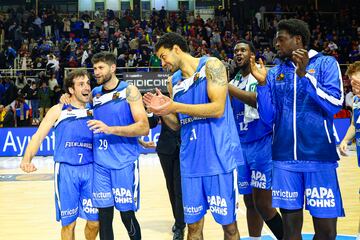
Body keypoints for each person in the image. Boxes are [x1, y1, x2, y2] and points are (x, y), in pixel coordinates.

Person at [143, 32, 243, 240]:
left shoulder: (212, 65)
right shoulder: (173, 82)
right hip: (190, 163)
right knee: (193, 228)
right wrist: (163, 112)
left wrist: (175, 105)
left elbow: (217, 108)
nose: (162, 63)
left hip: (219, 160)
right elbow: (178, 124)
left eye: (163, 56)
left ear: (177, 49)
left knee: (230, 228)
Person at [251, 19, 344, 240]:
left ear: (298, 40)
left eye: (280, 39)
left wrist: (305, 77)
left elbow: (334, 103)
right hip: (284, 161)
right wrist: (263, 86)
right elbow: (268, 118)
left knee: (326, 233)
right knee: (291, 232)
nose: (276, 44)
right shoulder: (275, 73)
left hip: (319, 159)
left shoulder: (326, 64)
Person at [20, 69, 99, 240]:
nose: (87, 87)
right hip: (66, 171)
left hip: (91, 169)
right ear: (71, 90)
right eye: (81, 84)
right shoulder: (58, 109)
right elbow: (38, 136)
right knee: (69, 224)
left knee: (95, 223)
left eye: (88, 83)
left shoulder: (95, 109)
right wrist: (26, 159)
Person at [87, 52, 149, 240]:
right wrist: (66, 97)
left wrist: (110, 129)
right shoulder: (95, 94)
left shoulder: (129, 91)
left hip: (124, 161)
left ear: (112, 68)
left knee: (126, 215)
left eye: (100, 68)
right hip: (100, 163)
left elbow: (143, 126)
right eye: (95, 68)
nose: (96, 72)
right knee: (104, 216)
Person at [229, 40, 283, 239]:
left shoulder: (262, 76)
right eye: (235, 51)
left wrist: (227, 88)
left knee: (263, 204)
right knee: (249, 201)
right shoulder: (234, 80)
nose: (238, 53)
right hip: (241, 146)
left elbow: (256, 100)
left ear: (252, 55)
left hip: (261, 144)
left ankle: (288, 237)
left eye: (243, 50)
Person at [141, 111, 185, 240]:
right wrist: (149, 112)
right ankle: (178, 220)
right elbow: (152, 124)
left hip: (185, 148)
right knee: (171, 188)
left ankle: (180, 226)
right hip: (166, 149)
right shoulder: (162, 99)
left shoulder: (184, 96)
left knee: (179, 190)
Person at [339, 61, 360, 164]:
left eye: (356, 83)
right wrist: (345, 140)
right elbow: (354, 124)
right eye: (352, 82)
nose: (354, 87)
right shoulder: (356, 99)